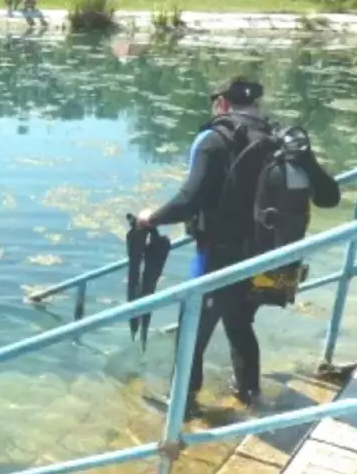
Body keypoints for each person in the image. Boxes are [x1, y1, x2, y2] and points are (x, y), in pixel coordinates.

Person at [135, 76, 341, 416]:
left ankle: (182, 407)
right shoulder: (284, 142)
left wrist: (150, 218)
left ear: (222, 104)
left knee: (193, 330)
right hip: (270, 258)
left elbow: (189, 200)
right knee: (239, 322)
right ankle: (249, 394)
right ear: (256, 104)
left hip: (220, 257)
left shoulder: (213, 140)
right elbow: (330, 197)